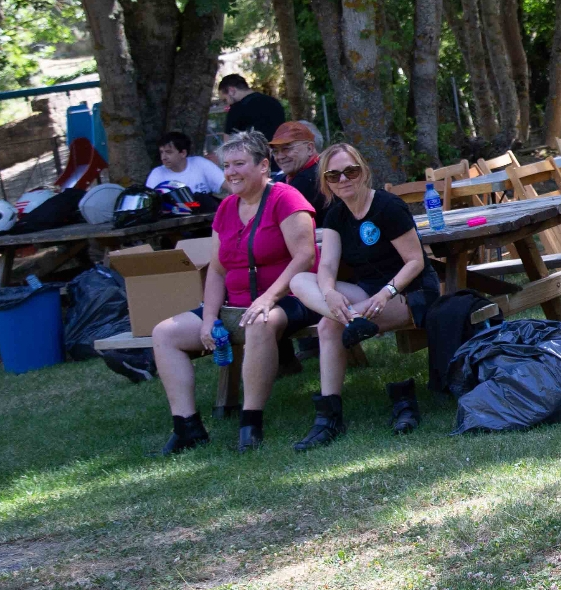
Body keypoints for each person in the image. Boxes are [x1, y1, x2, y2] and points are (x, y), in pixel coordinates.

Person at [150, 131, 319, 455]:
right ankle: (187, 428)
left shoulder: (286, 198)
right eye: (226, 165)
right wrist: (208, 318)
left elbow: (305, 257)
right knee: (164, 333)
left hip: (292, 297)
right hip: (236, 304)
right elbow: (217, 270)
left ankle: (250, 423)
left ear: (263, 166)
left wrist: (268, 299)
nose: (231, 172)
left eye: (239, 164)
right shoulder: (226, 208)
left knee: (258, 322)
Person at [290, 144, 440, 440]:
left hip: (408, 292)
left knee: (328, 326)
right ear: (326, 182)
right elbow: (327, 264)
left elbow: (415, 262)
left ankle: (328, 418)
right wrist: (329, 292)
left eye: (351, 171)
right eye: (334, 175)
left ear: (364, 171)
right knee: (299, 281)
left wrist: (385, 293)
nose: (343, 179)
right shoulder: (336, 215)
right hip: (366, 293)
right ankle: (353, 320)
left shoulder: (388, 206)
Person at [269, 121, 325, 213]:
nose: (280, 156)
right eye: (275, 151)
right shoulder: (291, 175)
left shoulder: (309, 179)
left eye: (286, 149)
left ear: (310, 148)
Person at [146, 131, 226, 194]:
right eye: (161, 152)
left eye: (169, 152)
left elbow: (229, 185)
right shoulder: (157, 173)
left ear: (183, 153)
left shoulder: (200, 163)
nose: (163, 157)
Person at [220, 74, 287, 140]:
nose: (227, 104)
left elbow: (227, 142)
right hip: (279, 145)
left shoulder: (236, 109)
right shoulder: (274, 102)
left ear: (231, 90)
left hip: (254, 147)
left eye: (225, 100)